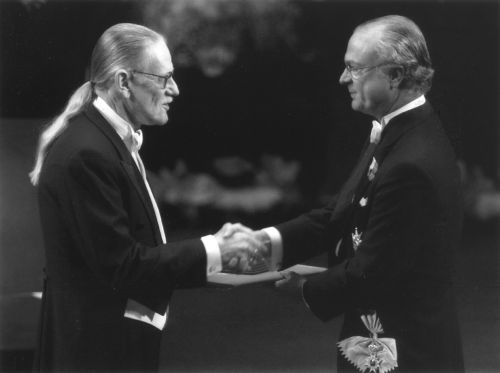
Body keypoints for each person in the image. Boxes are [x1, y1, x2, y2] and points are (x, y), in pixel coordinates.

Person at [231, 15, 465, 372]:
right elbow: (339, 215)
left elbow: (372, 271)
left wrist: (299, 288)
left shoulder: (412, 161)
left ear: (395, 75)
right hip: (380, 342)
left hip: (405, 354)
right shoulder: (398, 132)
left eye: (353, 68)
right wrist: (265, 243)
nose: (343, 78)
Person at [29, 23, 263, 372]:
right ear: (124, 82)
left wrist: (215, 256)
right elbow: (123, 265)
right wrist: (214, 249)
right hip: (97, 353)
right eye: (164, 77)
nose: (175, 89)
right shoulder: (86, 153)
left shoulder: (106, 139)